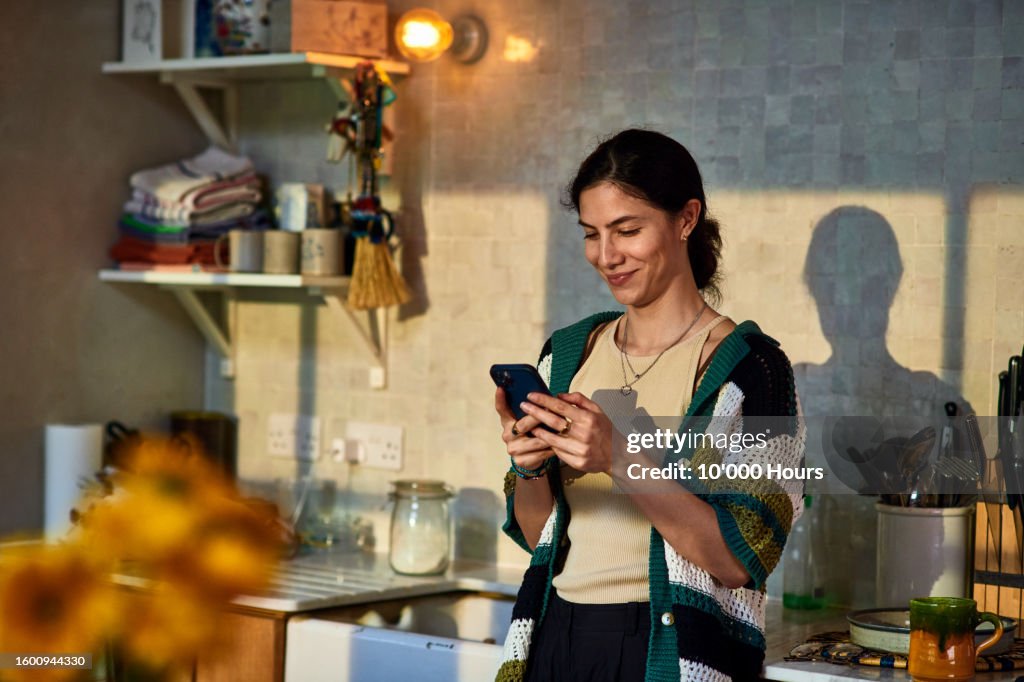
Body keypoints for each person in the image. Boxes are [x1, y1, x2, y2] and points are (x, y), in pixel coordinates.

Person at [493, 129, 806, 682]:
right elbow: (537, 529)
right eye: (592, 234)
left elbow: (742, 558)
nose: (606, 256)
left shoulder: (753, 371)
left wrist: (618, 456)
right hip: (555, 637)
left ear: (686, 219)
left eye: (627, 230)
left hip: (670, 652)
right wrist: (530, 465)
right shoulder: (567, 356)